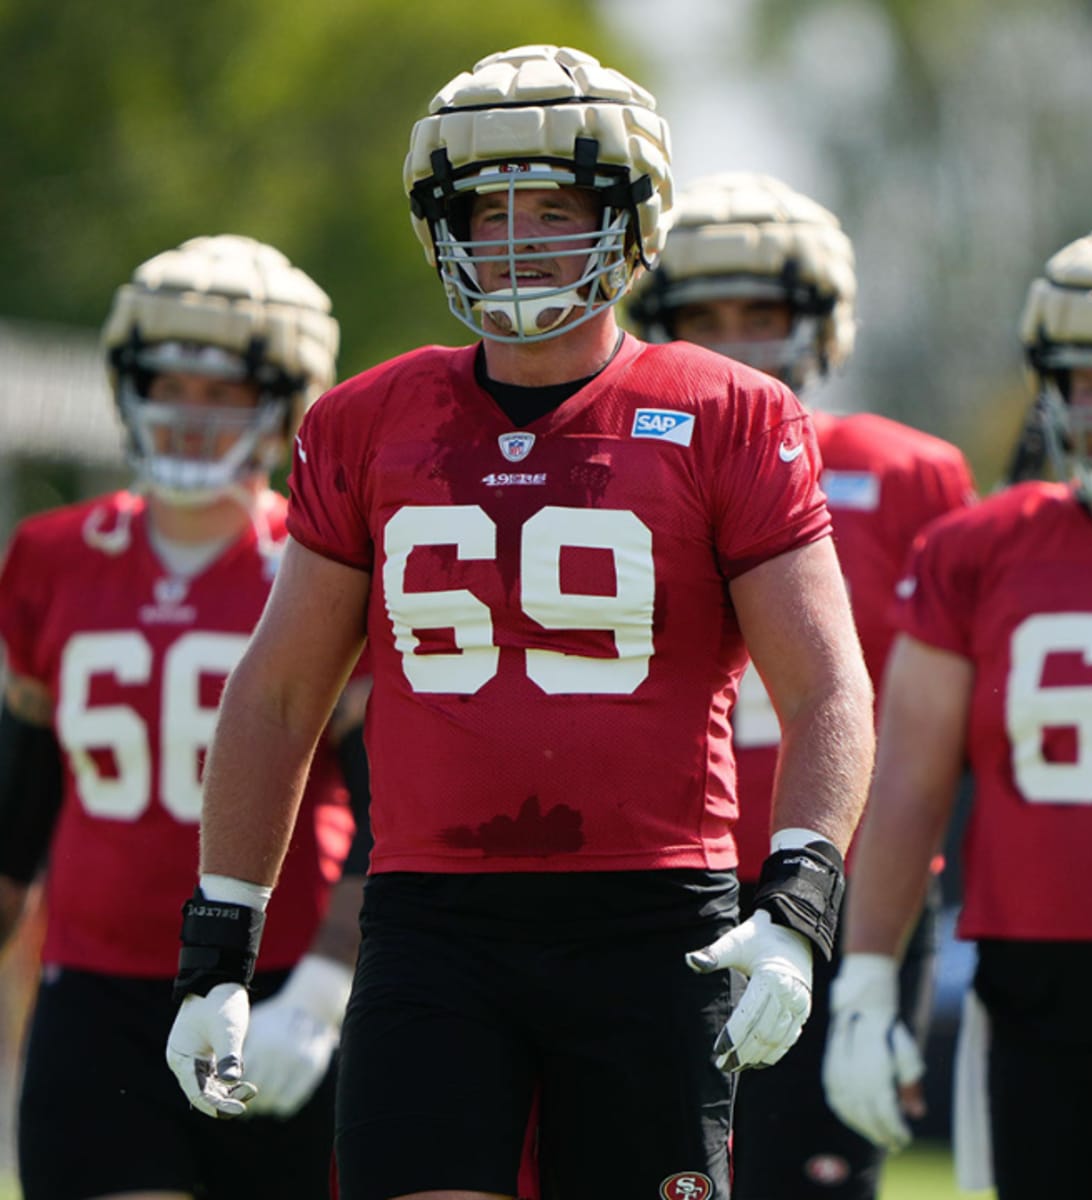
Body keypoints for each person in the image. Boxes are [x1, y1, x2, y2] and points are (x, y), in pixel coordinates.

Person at [162, 44, 876, 1200]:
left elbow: (828, 686)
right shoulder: (364, 423)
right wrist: (219, 948)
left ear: (630, 222)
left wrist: (797, 903)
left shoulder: (730, 415)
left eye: (554, 209)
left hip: (653, 915)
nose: (517, 241)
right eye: (485, 213)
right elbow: (283, 690)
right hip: (433, 916)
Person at [821, 214, 1092, 1200]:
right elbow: (905, 781)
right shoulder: (977, 550)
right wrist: (864, 981)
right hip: (1036, 986)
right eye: (1087, 376)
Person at [627, 171, 976, 1199]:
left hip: (837, 887)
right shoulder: (604, 472)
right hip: (658, 883)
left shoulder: (909, 475)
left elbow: (940, 722)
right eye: (705, 317)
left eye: (764, 313)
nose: (736, 340)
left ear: (820, 325)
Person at [0, 233, 367, 1200]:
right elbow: (21, 801)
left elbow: (390, 810)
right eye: (171, 383)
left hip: (276, 980)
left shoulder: (324, 560)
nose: (192, 416)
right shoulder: (50, 555)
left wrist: (331, 982)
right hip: (95, 989)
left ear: (284, 401)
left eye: (227, 390)